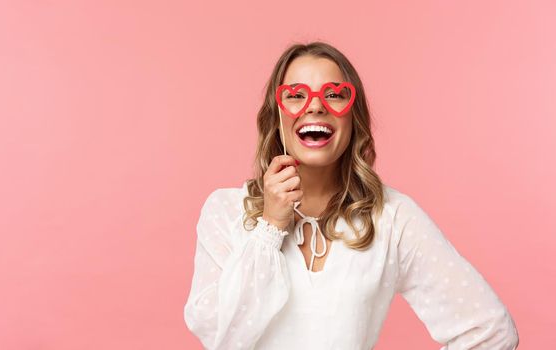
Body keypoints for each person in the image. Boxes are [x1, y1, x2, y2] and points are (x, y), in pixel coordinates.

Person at [183, 41, 520, 350]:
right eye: (296, 94)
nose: (315, 106)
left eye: (334, 94)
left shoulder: (393, 218)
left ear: (353, 117)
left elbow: (489, 331)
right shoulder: (225, 212)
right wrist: (270, 226)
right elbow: (221, 337)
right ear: (277, 116)